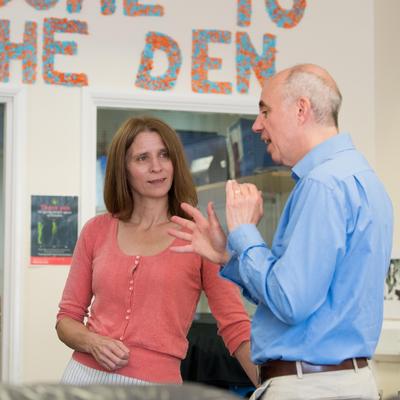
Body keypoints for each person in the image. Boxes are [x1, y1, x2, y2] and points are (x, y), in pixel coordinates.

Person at [169, 64, 393, 400]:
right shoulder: (362, 178)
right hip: (347, 382)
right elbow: (300, 294)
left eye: (265, 111)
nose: (257, 126)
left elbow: (290, 301)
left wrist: (244, 232)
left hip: (311, 387)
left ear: (301, 109)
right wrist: (228, 256)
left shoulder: (322, 185)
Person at [56, 116, 257, 386]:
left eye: (164, 155)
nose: (157, 167)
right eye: (142, 158)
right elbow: (66, 320)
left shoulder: (198, 236)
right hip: (83, 380)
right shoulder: (96, 230)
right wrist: (93, 342)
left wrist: (269, 386)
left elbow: (235, 325)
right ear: (123, 168)